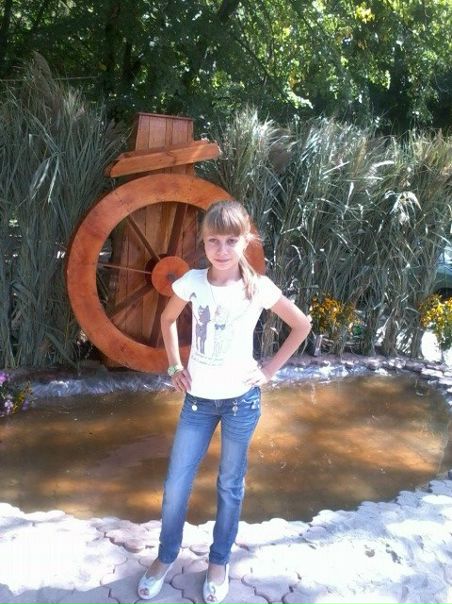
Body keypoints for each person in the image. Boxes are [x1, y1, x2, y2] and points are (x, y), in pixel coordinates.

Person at [137, 200, 311, 602]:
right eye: (213, 240)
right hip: (197, 403)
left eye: (231, 240)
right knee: (176, 483)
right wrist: (174, 366)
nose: (221, 249)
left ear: (246, 240)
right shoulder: (192, 282)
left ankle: (219, 561)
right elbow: (166, 320)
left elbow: (301, 325)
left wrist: (268, 371)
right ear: (203, 243)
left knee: (230, 484)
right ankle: (165, 556)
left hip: (241, 403)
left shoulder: (258, 286)